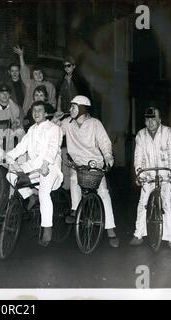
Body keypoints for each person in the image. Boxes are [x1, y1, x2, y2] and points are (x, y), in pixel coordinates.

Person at [56, 95, 119, 248]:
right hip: (77, 164)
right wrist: (55, 121)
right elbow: (54, 133)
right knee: (73, 178)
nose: (70, 109)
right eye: (70, 106)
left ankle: (111, 229)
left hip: (94, 163)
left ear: (82, 109)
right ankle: (75, 210)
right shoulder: (67, 123)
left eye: (74, 107)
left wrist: (108, 157)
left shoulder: (95, 124)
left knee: (103, 192)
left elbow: (104, 142)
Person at [5, 101, 63, 247]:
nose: (36, 113)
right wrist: (6, 157)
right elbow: (20, 148)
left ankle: (47, 229)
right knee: (11, 175)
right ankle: (30, 196)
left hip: (50, 166)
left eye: (40, 110)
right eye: (34, 110)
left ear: (45, 113)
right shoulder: (31, 130)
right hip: (33, 165)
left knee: (44, 192)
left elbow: (52, 149)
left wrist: (44, 165)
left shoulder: (53, 128)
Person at [131, 107, 171, 250]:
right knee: (143, 203)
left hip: (166, 175)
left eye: (153, 119)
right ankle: (138, 234)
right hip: (149, 175)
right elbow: (138, 157)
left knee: (168, 204)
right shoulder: (141, 135)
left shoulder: (169, 133)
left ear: (159, 120)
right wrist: (140, 173)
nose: (150, 122)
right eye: (147, 119)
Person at [12, 45, 56, 116]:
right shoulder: (29, 83)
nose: (38, 75)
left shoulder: (50, 86)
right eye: (35, 74)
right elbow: (24, 70)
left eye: (40, 73)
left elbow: (53, 102)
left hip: (44, 115)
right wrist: (21, 56)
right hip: (29, 114)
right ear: (32, 76)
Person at [0, 83, 25, 151]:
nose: (5, 95)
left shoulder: (16, 109)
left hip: (12, 137)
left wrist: (17, 123)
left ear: (10, 95)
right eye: (2, 93)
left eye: (7, 93)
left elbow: (20, 125)